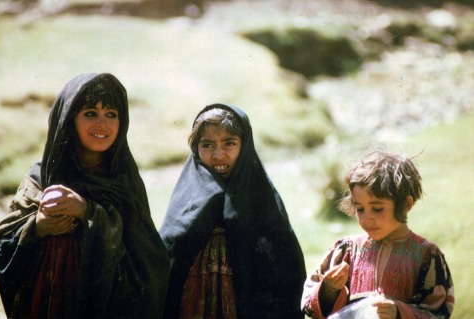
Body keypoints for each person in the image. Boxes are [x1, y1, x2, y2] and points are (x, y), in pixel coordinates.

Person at [0, 73, 169, 319]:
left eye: (111, 114)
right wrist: (38, 227)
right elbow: (4, 243)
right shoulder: (40, 178)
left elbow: (148, 257)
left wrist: (88, 212)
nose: (102, 124)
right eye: (90, 113)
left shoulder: (124, 180)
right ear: (68, 119)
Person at [159, 103, 306, 318]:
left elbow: (286, 270)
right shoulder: (185, 200)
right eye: (207, 145)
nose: (218, 154)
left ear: (245, 146)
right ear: (196, 149)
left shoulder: (263, 201)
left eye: (229, 143)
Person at [301, 150, 454, 319]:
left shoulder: (426, 256)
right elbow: (309, 304)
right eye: (360, 209)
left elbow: (439, 313)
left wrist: (398, 312)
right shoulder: (345, 251)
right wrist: (329, 289)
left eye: (377, 208)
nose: (367, 219)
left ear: (405, 204)